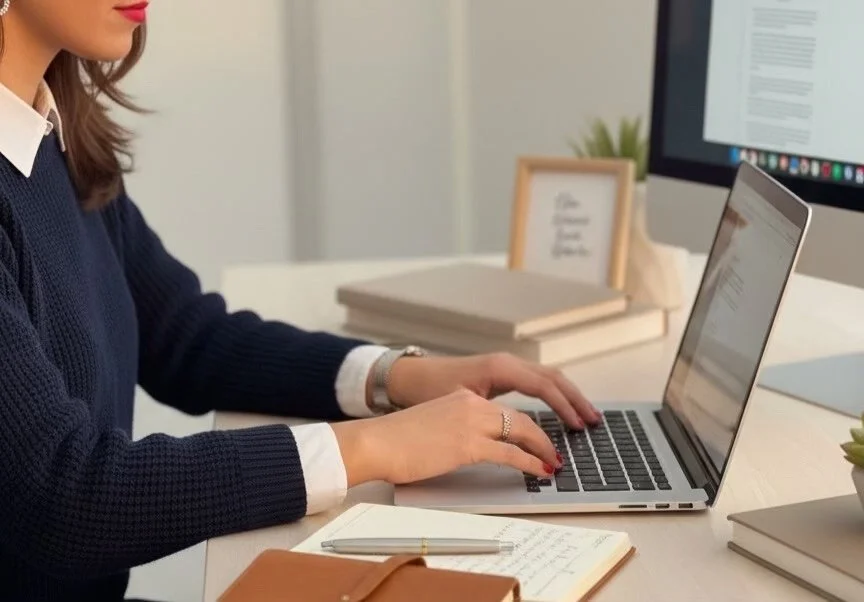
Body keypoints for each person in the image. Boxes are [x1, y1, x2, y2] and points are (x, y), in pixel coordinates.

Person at [0, 2, 601, 601]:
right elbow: (62, 494)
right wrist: (378, 446)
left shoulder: (53, 137)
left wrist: (398, 377)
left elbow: (186, 338)